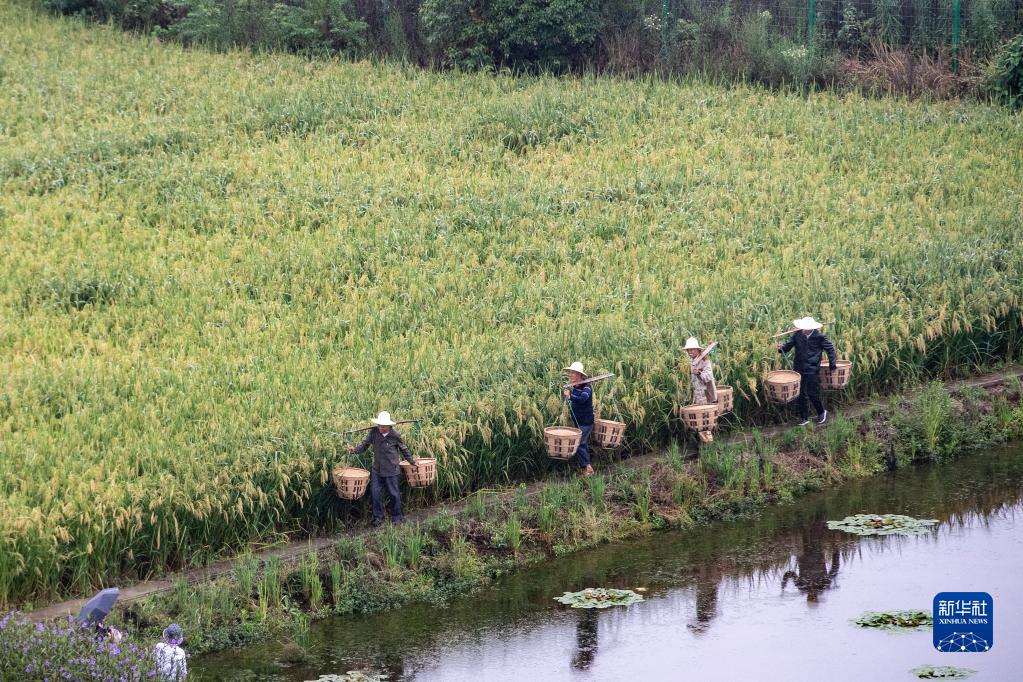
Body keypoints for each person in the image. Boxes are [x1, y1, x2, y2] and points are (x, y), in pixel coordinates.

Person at [349, 411, 417, 525]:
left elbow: (404, 449)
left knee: (394, 494)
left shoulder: (395, 435)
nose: (381, 428)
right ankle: (377, 518)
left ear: (389, 426)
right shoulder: (374, 432)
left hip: (391, 470)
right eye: (379, 425)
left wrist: (412, 461)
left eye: (384, 426)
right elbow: (365, 444)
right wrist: (355, 450)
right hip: (377, 469)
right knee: (375, 493)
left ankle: (397, 517)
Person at [778, 316, 837, 426]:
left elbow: (830, 349)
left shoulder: (819, 336)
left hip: (812, 368)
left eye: (806, 328)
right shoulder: (797, 335)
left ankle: (821, 412)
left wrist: (832, 364)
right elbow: (786, 348)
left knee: (812, 393)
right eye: (802, 327)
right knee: (800, 394)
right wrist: (780, 348)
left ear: (811, 328)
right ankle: (804, 418)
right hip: (799, 368)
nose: (804, 330)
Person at [563, 361, 595, 476]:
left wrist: (570, 396)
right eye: (570, 373)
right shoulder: (575, 387)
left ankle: (588, 468)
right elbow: (574, 398)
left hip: (586, 421)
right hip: (578, 420)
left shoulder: (587, 386)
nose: (570, 375)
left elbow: (582, 399)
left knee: (580, 443)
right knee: (582, 443)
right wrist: (569, 395)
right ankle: (585, 467)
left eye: (573, 373)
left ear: (580, 375)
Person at [684, 337, 717, 443]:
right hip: (697, 394)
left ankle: (709, 443)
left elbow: (708, 377)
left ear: (698, 350)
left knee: (704, 420)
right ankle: (703, 444)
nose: (690, 352)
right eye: (688, 350)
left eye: (692, 350)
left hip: (705, 394)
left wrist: (699, 372)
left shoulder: (705, 361)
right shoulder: (693, 361)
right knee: (699, 422)